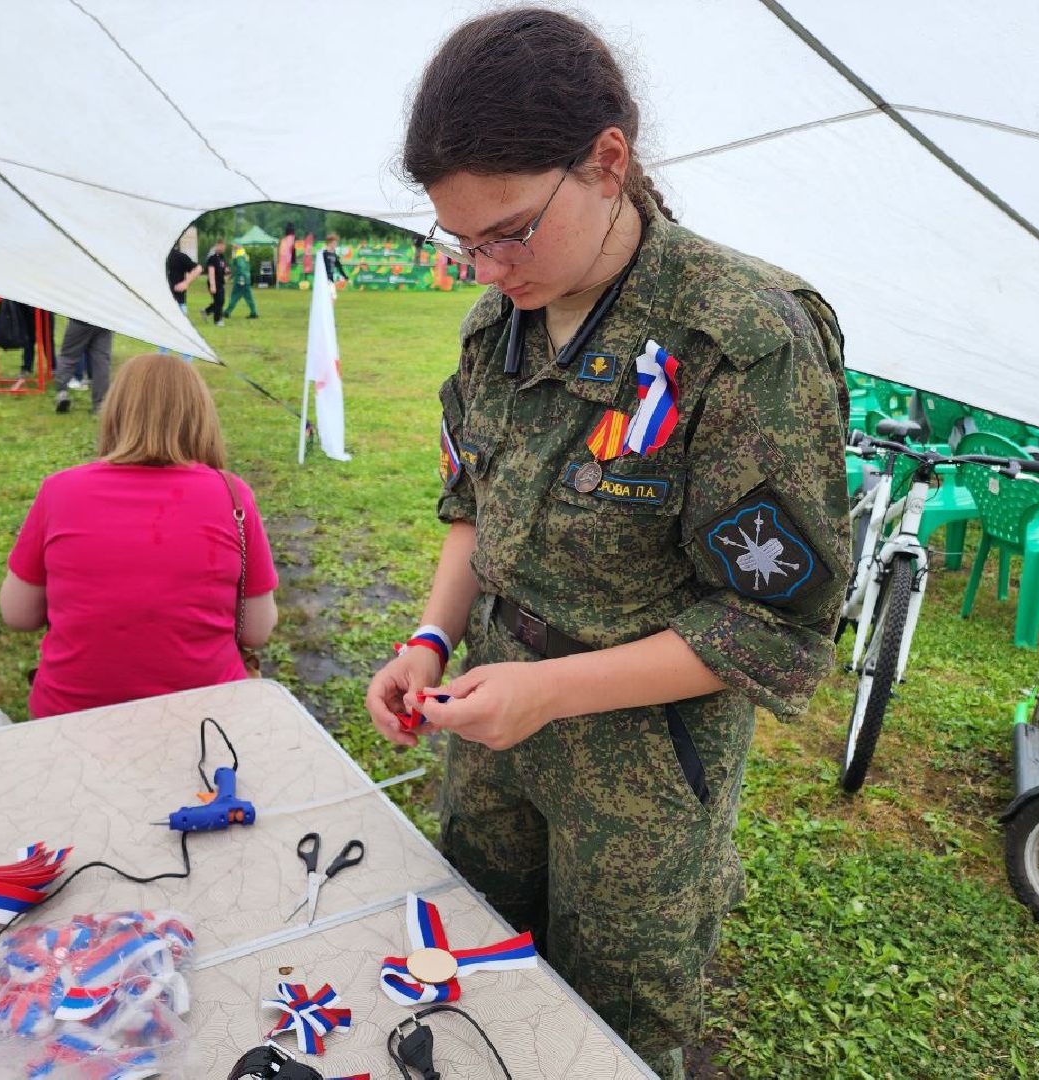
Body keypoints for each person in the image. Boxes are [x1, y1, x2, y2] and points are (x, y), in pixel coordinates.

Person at [363, 11, 850, 1078]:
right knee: (472, 981)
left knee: (605, 1036)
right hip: (491, 715)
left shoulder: (740, 338)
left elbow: (770, 624)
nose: (487, 267)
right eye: (462, 241)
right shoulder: (499, 324)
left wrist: (553, 691)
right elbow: (473, 508)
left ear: (608, 161)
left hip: (641, 768)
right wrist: (430, 642)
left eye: (510, 230)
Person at [1, 354, 278, 718]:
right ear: (201, 417)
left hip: (71, 717)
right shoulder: (232, 494)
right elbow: (257, 630)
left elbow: (18, 613)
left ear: (115, 412)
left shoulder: (60, 490)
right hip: (204, 717)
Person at [52, 319, 113, 414]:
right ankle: (100, 405)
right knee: (101, 361)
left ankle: (62, 394)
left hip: (81, 318)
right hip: (104, 319)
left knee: (68, 356)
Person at [159, 245, 202, 361]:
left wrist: (186, 283)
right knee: (164, 333)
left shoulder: (178, 256)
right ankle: (161, 361)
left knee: (184, 335)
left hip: (178, 304)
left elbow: (198, 268)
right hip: (163, 303)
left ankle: (186, 363)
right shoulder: (157, 256)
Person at [223, 244, 258, 319]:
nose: (232, 248)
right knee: (249, 297)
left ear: (236, 247)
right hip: (247, 279)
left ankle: (227, 312)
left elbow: (240, 267)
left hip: (240, 280)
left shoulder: (239, 255)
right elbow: (246, 267)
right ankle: (254, 312)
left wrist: (237, 278)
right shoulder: (244, 253)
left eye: (233, 247)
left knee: (234, 296)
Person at [202, 240, 228, 327]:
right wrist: (212, 285)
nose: (223, 248)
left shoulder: (222, 257)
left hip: (220, 282)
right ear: (217, 246)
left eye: (224, 246)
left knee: (220, 301)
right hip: (214, 282)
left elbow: (223, 267)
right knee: (219, 301)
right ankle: (218, 320)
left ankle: (206, 311)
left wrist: (226, 270)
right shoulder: (212, 258)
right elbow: (211, 271)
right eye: (221, 246)